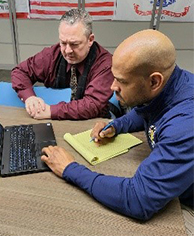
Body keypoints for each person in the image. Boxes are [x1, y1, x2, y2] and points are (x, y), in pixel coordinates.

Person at [41, 29, 194, 221]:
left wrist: (70, 168)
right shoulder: (174, 82)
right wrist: (117, 125)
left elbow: (138, 199)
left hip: (186, 205)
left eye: (122, 81)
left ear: (154, 81)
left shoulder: (185, 125)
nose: (113, 87)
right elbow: (148, 109)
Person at [11, 9, 120, 120]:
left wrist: (51, 111)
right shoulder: (52, 55)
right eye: (63, 43)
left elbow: (92, 104)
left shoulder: (105, 64)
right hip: (55, 121)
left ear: (90, 40)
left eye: (74, 44)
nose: (67, 50)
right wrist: (30, 98)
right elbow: (19, 71)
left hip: (93, 122)